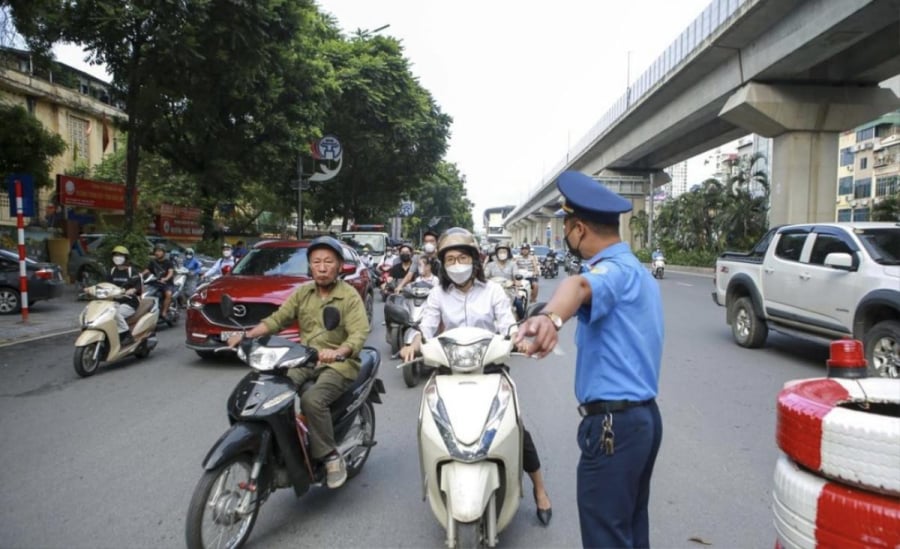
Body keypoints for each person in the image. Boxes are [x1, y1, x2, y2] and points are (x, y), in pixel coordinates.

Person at [516, 170, 664, 548]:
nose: (566, 236)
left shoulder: (610, 272)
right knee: (629, 530)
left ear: (579, 228)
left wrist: (550, 318)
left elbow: (578, 286)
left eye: (567, 227)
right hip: (642, 420)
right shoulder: (638, 273)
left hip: (613, 427)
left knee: (605, 538)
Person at [399, 228, 553, 527]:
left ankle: (539, 488)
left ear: (475, 261)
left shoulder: (493, 291)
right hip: (448, 369)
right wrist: (414, 340)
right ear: (443, 263)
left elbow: (508, 323)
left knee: (515, 428)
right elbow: (426, 324)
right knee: (431, 424)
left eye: (463, 258)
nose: (457, 264)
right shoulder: (438, 293)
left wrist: (515, 338)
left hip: (490, 368)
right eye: (451, 259)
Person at [227, 236, 370, 489]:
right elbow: (277, 320)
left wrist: (341, 351)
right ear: (310, 266)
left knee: (312, 400)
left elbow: (359, 333)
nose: (322, 267)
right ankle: (281, 446)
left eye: (328, 262)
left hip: (338, 364)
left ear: (338, 267)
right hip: (303, 359)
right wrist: (245, 336)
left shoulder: (348, 296)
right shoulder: (303, 293)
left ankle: (329, 456)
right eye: (317, 262)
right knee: (271, 390)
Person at [107, 245, 142, 346]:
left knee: (114, 314)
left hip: (129, 302)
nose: (117, 257)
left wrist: (133, 289)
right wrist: (91, 289)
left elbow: (138, 285)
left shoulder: (131, 271)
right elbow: (105, 284)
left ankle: (127, 335)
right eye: (116, 255)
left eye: (120, 255)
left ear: (126, 257)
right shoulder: (112, 271)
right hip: (114, 301)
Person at [143, 243, 175, 320]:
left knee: (168, 294)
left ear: (164, 252)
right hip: (155, 282)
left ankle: (164, 312)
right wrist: (140, 275)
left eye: (160, 251)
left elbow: (171, 272)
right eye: (156, 251)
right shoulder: (153, 262)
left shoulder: (168, 262)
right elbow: (147, 270)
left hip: (166, 283)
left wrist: (166, 278)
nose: (157, 253)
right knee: (143, 292)